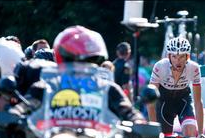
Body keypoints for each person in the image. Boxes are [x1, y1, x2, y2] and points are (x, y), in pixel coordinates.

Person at [12, 25, 143, 123]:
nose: (80, 67)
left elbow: (125, 108)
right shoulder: (46, 86)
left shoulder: (107, 87)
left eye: (88, 61)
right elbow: (27, 104)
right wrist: (13, 114)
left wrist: (138, 120)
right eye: (73, 61)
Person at [147, 37, 204, 138]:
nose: (177, 60)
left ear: (187, 57)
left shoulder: (194, 68)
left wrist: (200, 132)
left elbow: (198, 102)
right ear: (169, 56)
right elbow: (151, 100)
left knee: (190, 135)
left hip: (183, 101)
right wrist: (153, 129)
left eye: (181, 56)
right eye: (174, 56)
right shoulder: (160, 67)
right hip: (164, 103)